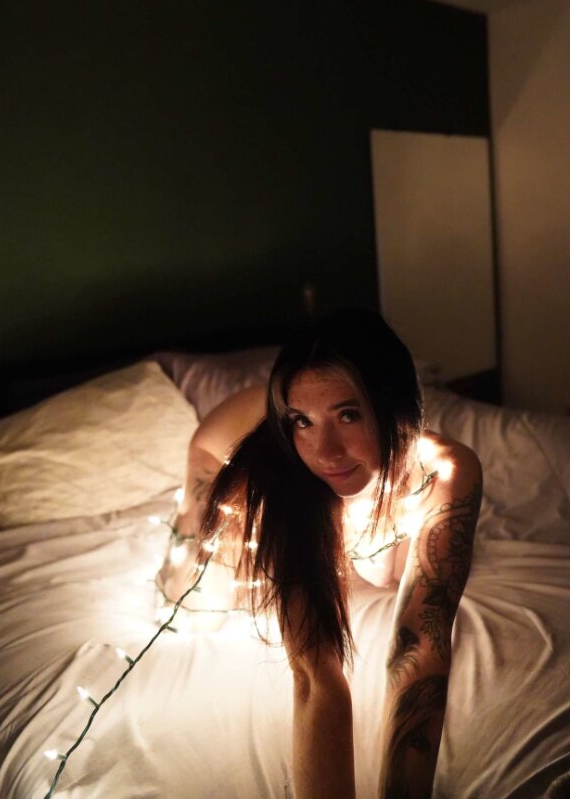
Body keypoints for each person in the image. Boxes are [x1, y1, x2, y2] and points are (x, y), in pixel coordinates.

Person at [162, 309, 482, 799]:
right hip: (219, 445)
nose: (326, 450)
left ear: (394, 408)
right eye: (303, 420)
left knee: (387, 571)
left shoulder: (447, 471)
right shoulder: (289, 474)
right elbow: (316, 676)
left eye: (348, 415)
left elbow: (421, 647)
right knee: (197, 601)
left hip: (364, 468)